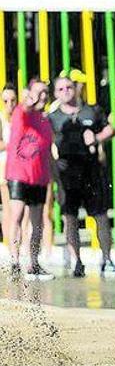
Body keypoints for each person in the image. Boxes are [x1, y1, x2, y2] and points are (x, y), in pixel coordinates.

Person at [47, 76, 115, 278]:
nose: (66, 91)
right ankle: (77, 262)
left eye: (69, 87)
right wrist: (54, 169)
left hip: (91, 171)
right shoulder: (53, 117)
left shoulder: (92, 110)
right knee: (70, 218)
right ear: (56, 93)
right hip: (67, 174)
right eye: (61, 89)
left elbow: (111, 128)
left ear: (76, 89)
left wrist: (97, 138)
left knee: (100, 216)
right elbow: (47, 144)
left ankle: (107, 260)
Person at [4, 80, 55, 280]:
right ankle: (15, 262)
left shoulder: (45, 121)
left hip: (39, 177)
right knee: (16, 215)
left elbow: (48, 152)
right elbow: (24, 107)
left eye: (45, 92)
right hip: (19, 174)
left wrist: (54, 177)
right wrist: (30, 99)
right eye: (38, 92)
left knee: (37, 222)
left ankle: (33, 263)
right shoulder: (21, 113)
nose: (42, 96)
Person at [0, 84, 17, 245]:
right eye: (5, 101)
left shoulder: (21, 117)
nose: (9, 104)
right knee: (8, 208)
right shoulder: (0, 119)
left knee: (20, 209)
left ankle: (21, 244)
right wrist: (11, 144)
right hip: (4, 167)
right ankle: (8, 243)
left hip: (21, 169)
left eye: (12, 100)